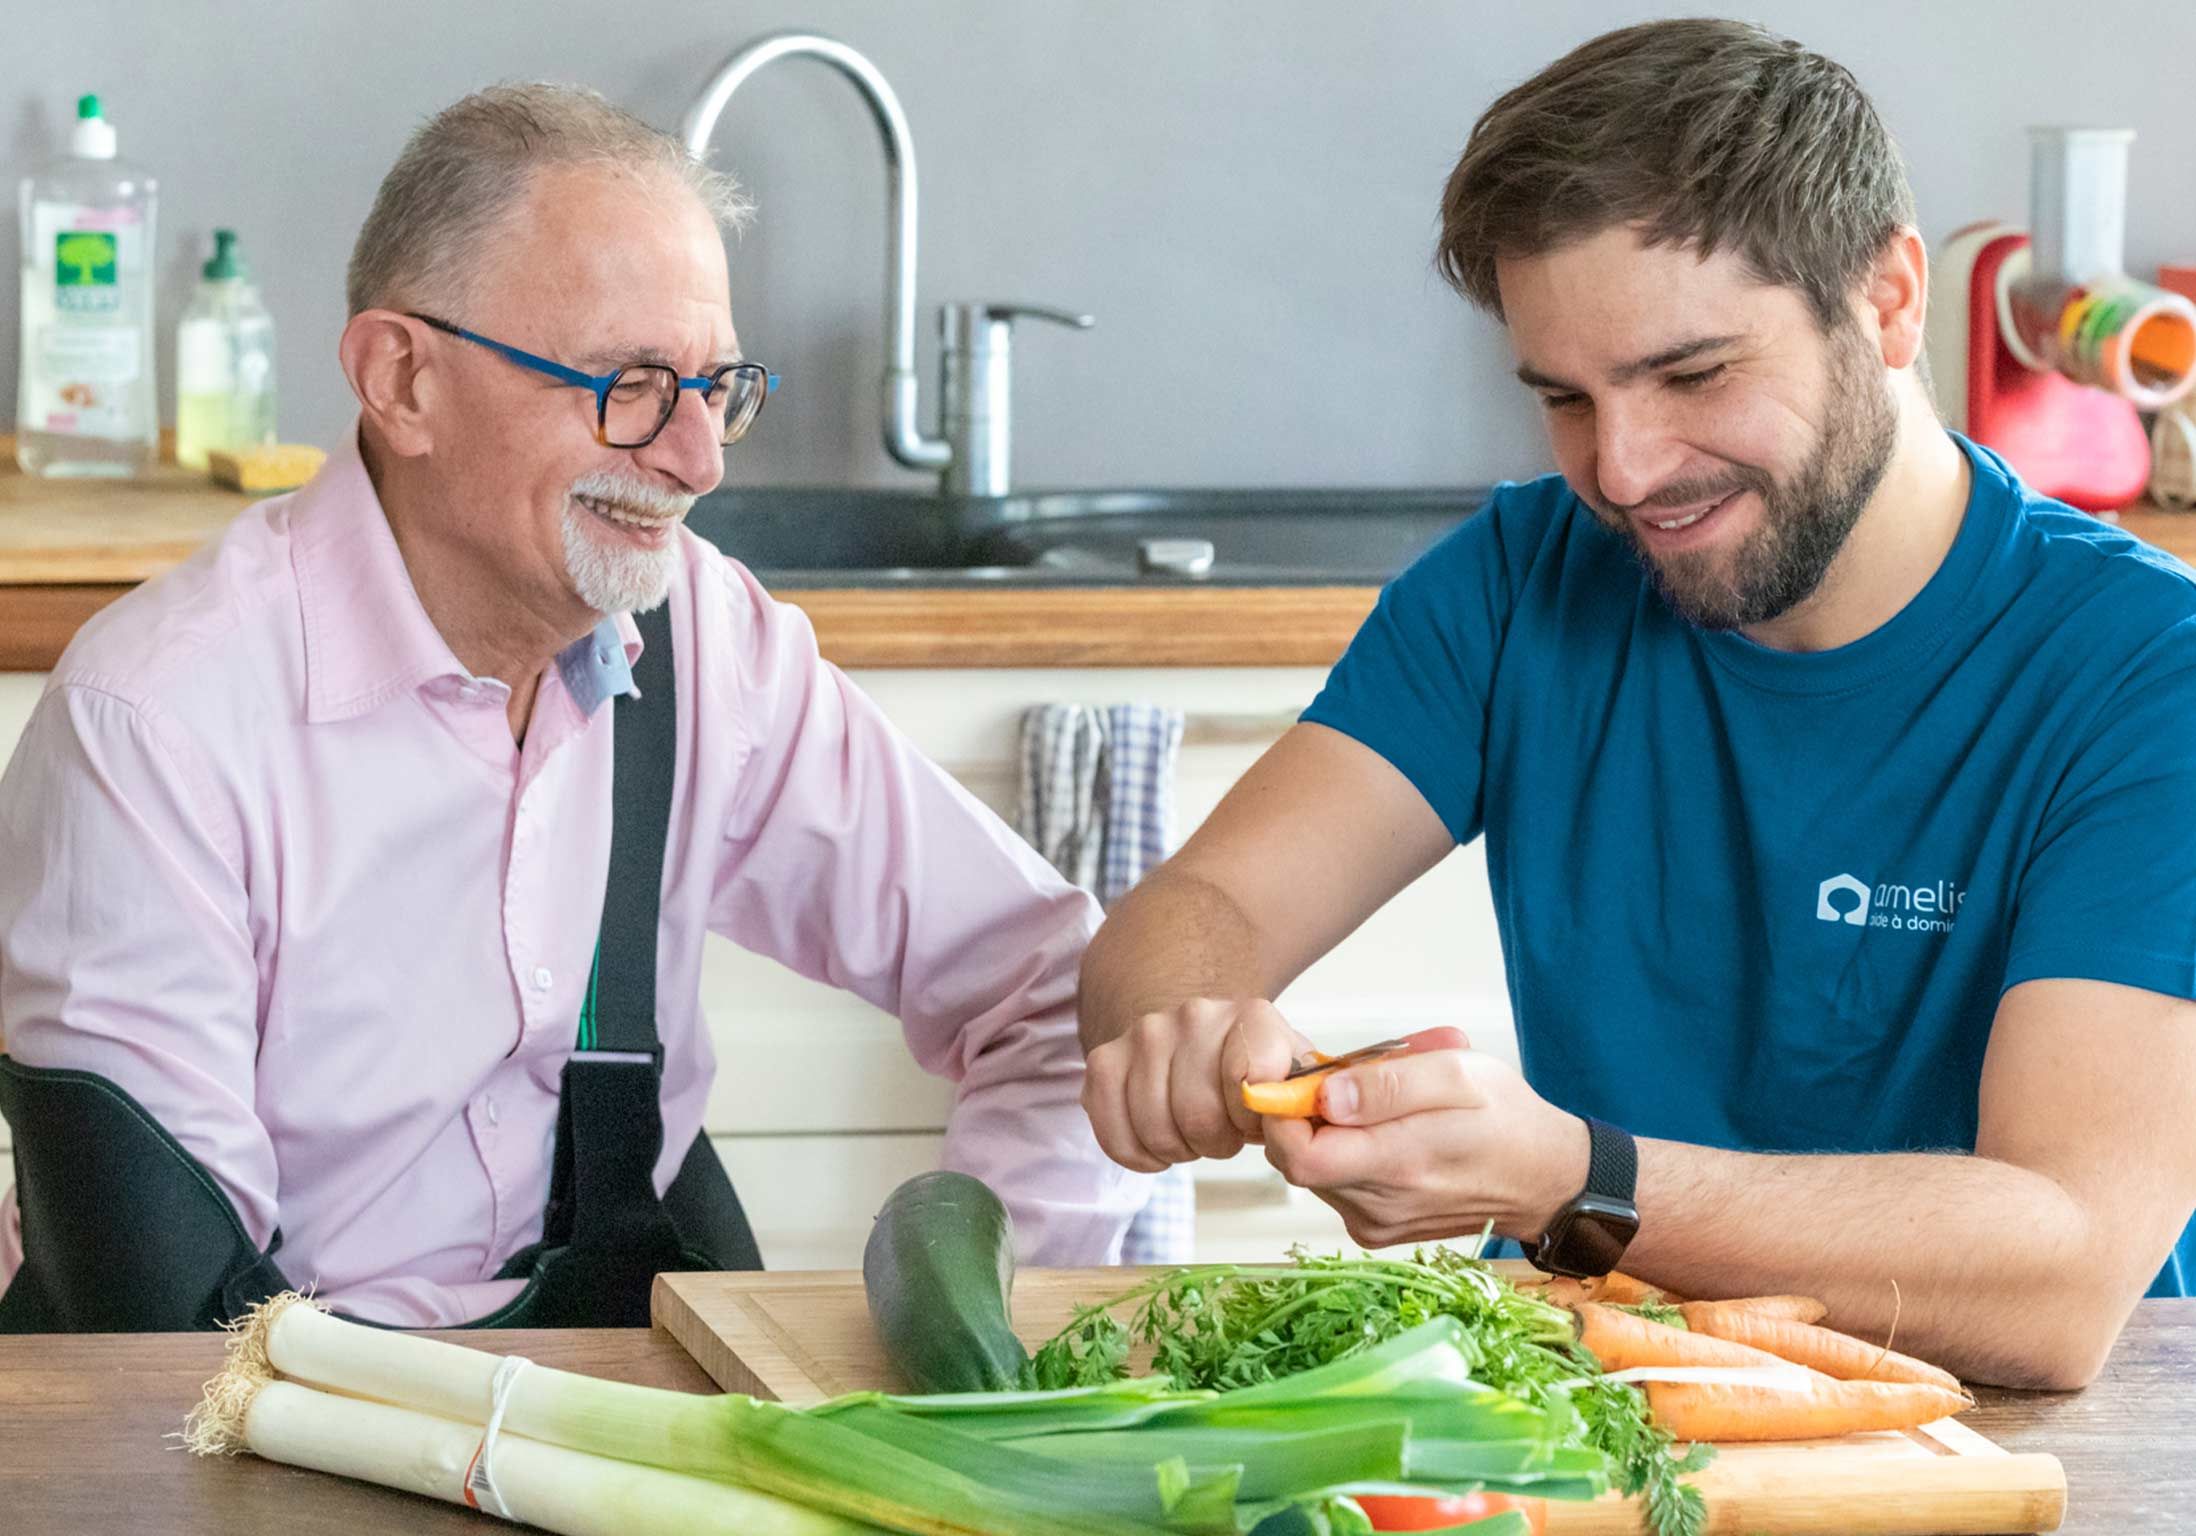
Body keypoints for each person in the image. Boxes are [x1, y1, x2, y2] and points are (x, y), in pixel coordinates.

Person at [1075, 18, 2196, 1390]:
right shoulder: (1515, 577)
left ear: (1891, 300)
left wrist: (1577, 1179)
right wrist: (1196, 1023)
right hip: (1589, 1406)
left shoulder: (2152, 671)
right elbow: (1197, 917)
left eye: (1693, 373)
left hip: (2012, 1443)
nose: (1624, 471)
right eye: (1564, 398)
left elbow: (2066, 1276)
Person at [0, 84, 1143, 1330]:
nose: (698, 460)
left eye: (717, 389)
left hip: (621, 1411)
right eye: (632, 384)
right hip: (256, 1436)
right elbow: (162, 1341)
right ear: (402, 379)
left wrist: (982, 1352)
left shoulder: (714, 643)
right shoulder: (156, 726)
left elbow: (1052, 992)